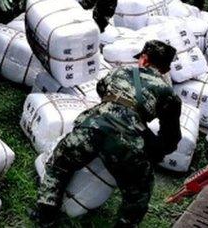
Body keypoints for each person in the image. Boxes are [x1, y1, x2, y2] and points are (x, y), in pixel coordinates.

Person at [34, 40, 182, 227]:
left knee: (59, 164)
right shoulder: (168, 93)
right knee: (138, 194)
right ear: (165, 69)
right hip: (127, 143)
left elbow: (101, 90)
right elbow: (171, 139)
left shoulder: (119, 72)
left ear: (144, 59)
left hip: (93, 127)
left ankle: (46, 216)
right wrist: (152, 150)